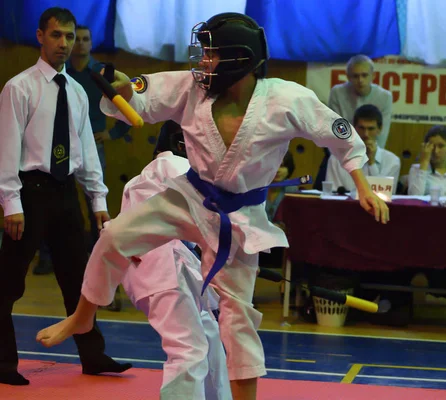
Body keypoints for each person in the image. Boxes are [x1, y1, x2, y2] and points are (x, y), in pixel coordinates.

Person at [36, 12, 389, 400]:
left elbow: (337, 135)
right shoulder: (192, 88)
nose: (202, 62)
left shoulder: (286, 99)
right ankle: (83, 317)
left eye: (210, 55)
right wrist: (121, 87)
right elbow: (141, 93)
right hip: (191, 196)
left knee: (239, 322)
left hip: (240, 216)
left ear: (237, 59)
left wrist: (362, 187)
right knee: (115, 235)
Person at [0, 7, 131, 386]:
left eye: (70, 37)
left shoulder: (76, 91)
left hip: (65, 194)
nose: (64, 44)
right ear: (41, 36)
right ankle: (4, 362)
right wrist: (11, 204)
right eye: (56, 35)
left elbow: (86, 151)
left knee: (81, 280)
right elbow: (7, 151)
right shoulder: (18, 88)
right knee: (8, 281)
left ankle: (93, 355)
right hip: (30, 192)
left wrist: (99, 202)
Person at [117, 123, 231, 399]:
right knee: (188, 349)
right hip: (160, 270)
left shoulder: (150, 176)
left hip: (167, 266)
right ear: (184, 144)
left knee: (209, 333)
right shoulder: (174, 166)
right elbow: (212, 211)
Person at [34, 24, 132, 280]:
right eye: (75, 39)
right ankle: (46, 257)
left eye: (84, 39)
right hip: (55, 146)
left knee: (95, 204)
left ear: (91, 43)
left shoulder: (101, 73)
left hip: (92, 145)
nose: (78, 44)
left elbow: (128, 106)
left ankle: (96, 259)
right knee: (51, 202)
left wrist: (112, 134)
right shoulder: (59, 72)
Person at [314, 54, 393, 189]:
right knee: (322, 191)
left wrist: (369, 155)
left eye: (364, 75)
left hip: (371, 153)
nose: (360, 80)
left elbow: (381, 135)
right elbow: (334, 131)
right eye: (355, 76)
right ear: (348, 76)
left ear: (373, 76)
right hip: (341, 152)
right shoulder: (337, 92)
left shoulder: (385, 97)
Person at [325, 104, 400, 194]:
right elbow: (333, 196)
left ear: (380, 129)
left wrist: (371, 163)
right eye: (361, 128)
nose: (366, 134)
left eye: (371, 129)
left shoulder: (392, 161)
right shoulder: (336, 159)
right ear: (354, 128)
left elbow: (384, 195)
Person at [407, 125, 446, 196]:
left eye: (441, 146)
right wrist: (424, 162)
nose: (436, 151)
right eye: (432, 146)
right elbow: (414, 200)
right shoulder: (416, 169)